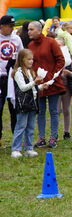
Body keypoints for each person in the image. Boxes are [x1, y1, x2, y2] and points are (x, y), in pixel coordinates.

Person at [27, 21, 65, 148]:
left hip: (53, 82)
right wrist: (36, 79)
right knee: (41, 110)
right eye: (28, 29)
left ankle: (54, 137)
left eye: (31, 29)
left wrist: (51, 78)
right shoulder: (30, 45)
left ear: (39, 30)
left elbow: (60, 60)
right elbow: (30, 65)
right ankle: (41, 137)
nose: (29, 32)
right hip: (39, 83)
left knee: (54, 110)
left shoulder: (50, 42)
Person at [9, 49, 41, 158]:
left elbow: (33, 89)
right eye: (29, 59)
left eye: (32, 59)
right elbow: (23, 88)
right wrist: (34, 82)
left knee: (31, 127)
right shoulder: (18, 72)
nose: (31, 61)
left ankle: (29, 148)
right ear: (22, 60)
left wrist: (40, 86)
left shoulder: (30, 71)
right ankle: (16, 148)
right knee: (21, 126)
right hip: (23, 103)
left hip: (32, 103)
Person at [0, 15, 23, 147]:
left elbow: (22, 55)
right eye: (9, 26)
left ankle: (17, 137)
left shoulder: (16, 38)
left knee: (14, 108)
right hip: (0, 77)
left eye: (13, 25)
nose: (12, 28)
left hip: (12, 78)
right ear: (2, 26)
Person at [56, 20, 72, 142]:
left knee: (66, 108)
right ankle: (56, 132)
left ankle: (66, 131)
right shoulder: (56, 49)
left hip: (67, 82)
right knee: (57, 109)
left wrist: (70, 73)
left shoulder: (70, 50)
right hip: (57, 82)